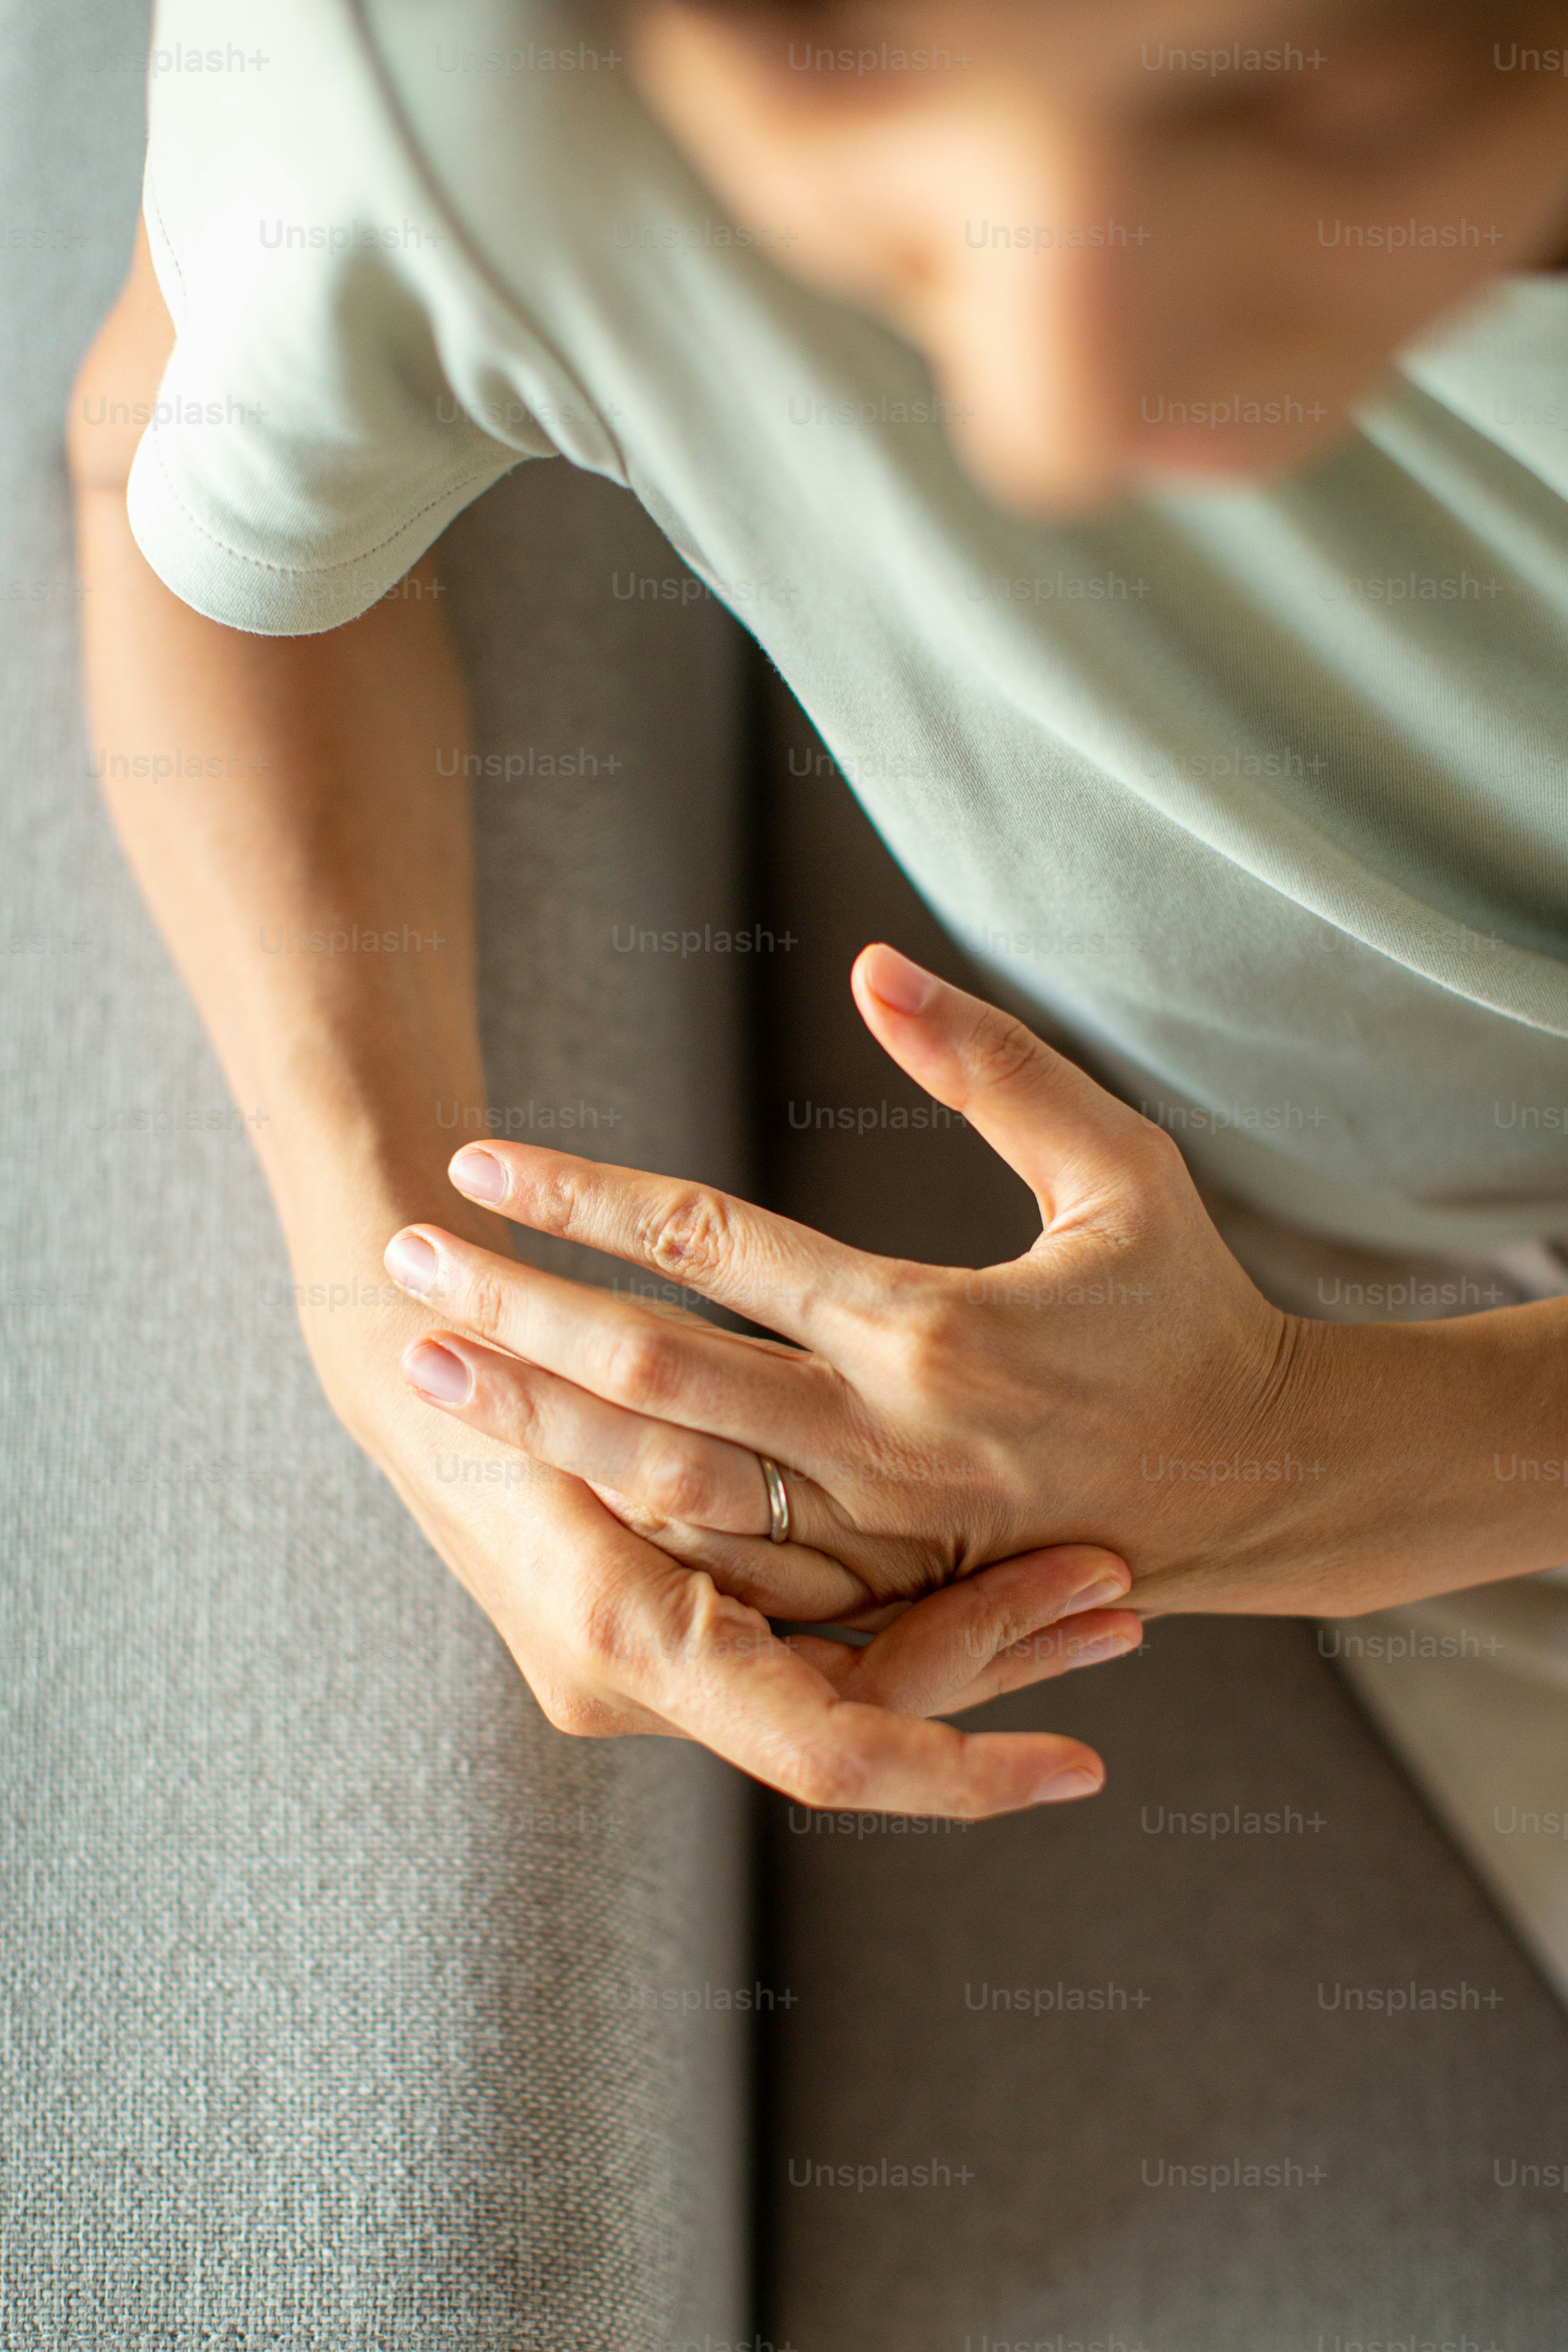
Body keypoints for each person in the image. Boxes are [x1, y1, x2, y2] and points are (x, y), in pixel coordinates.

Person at [69, 0, 1568, 1860]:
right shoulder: (431, 58)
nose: (1056, 416)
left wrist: (1329, 1455)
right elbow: (168, 486)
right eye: (840, 98)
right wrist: (394, 1289)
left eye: (1317, 107)